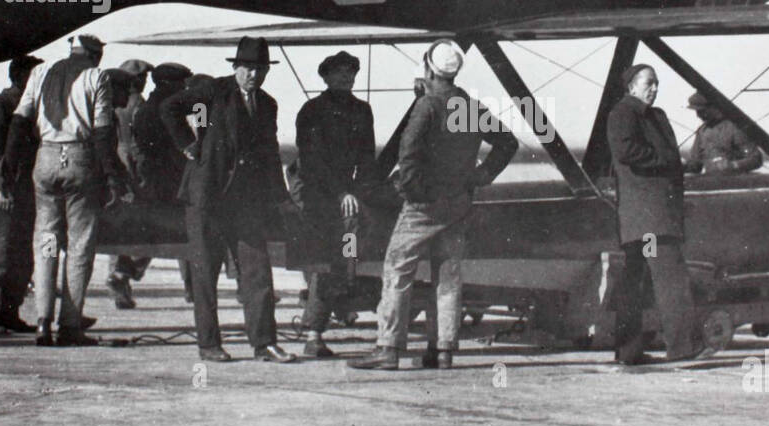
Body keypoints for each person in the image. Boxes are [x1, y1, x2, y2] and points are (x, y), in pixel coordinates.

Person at [349, 40, 517, 371]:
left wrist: (411, 192)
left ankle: (388, 348)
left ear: (428, 68)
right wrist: (481, 176)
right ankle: (443, 350)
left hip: (422, 205)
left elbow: (407, 156)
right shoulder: (468, 106)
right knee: (448, 276)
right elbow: (507, 142)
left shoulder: (426, 106)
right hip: (458, 204)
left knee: (397, 271)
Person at [159, 36, 296, 364]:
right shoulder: (212, 92)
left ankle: (265, 344)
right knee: (205, 273)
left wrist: (280, 197)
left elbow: (270, 153)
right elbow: (170, 108)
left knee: (258, 271)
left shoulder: (267, 104)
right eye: (247, 68)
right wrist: (189, 145)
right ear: (235, 68)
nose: (253, 75)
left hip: (246, 204)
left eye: (260, 69)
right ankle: (208, 345)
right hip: (207, 198)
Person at [3, 34, 132, 347]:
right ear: (94, 54)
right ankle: (70, 324)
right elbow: (102, 132)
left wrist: (7, 170)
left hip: (45, 158)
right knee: (79, 246)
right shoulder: (95, 76)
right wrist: (114, 177)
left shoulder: (41, 71)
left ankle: (43, 321)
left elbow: (20, 121)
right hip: (80, 159)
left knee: (46, 241)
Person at [606, 64, 705, 363]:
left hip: (645, 219)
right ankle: (683, 347)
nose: (654, 88)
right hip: (651, 222)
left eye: (657, 83)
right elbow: (626, 151)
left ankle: (629, 351)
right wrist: (667, 161)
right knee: (670, 278)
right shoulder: (624, 114)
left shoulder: (653, 115)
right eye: (649, 83)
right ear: (632, 86)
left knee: (636, 279)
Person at [295, 50, 377, 358]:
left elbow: (366, 157)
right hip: (315, 193)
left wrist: (359, 190)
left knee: (348, 249)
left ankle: (344, 298)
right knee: (326, 260)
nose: (345, 77)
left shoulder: (362, 110)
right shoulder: (312, 111)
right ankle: (314, 331)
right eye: (339, 72)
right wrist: (342, 192)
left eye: (350, 72)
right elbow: (312, 161)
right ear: (326, 77)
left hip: (346, 195)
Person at [0, 54, 43, 334]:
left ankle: (9, 313)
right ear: (22, 78)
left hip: (22, 190)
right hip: (1, 191)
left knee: (21, 256)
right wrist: (3, 187)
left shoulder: (28, 108)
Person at [129, 62, 195, 302]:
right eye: (182, 84)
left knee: (158, 230)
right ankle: (192, 288)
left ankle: (123, 271)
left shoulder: (145, 108)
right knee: (186, 231)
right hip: (172, 180)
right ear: (172, 85)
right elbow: (185, 142)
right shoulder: (169, 109)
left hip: (152, 179)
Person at [106, 59, 154, 307]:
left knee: (119, 226)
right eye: (142, 77)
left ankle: (119, 276)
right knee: (150, 227)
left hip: (114, 166)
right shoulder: (138, 104)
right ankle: (123, 274)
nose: (145, 82)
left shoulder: (109, 102)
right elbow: (139, 144)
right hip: (133, 168)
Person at [684, 91, 763, 175]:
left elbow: (755, 159)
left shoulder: (735, 128)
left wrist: (733, 165)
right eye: (697, 112)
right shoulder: (702, 131)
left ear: (713, 107)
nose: (698, 115)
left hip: (736, 181)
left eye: (702, 111)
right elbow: (695, 165)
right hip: (712, 181)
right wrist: (680, 167)